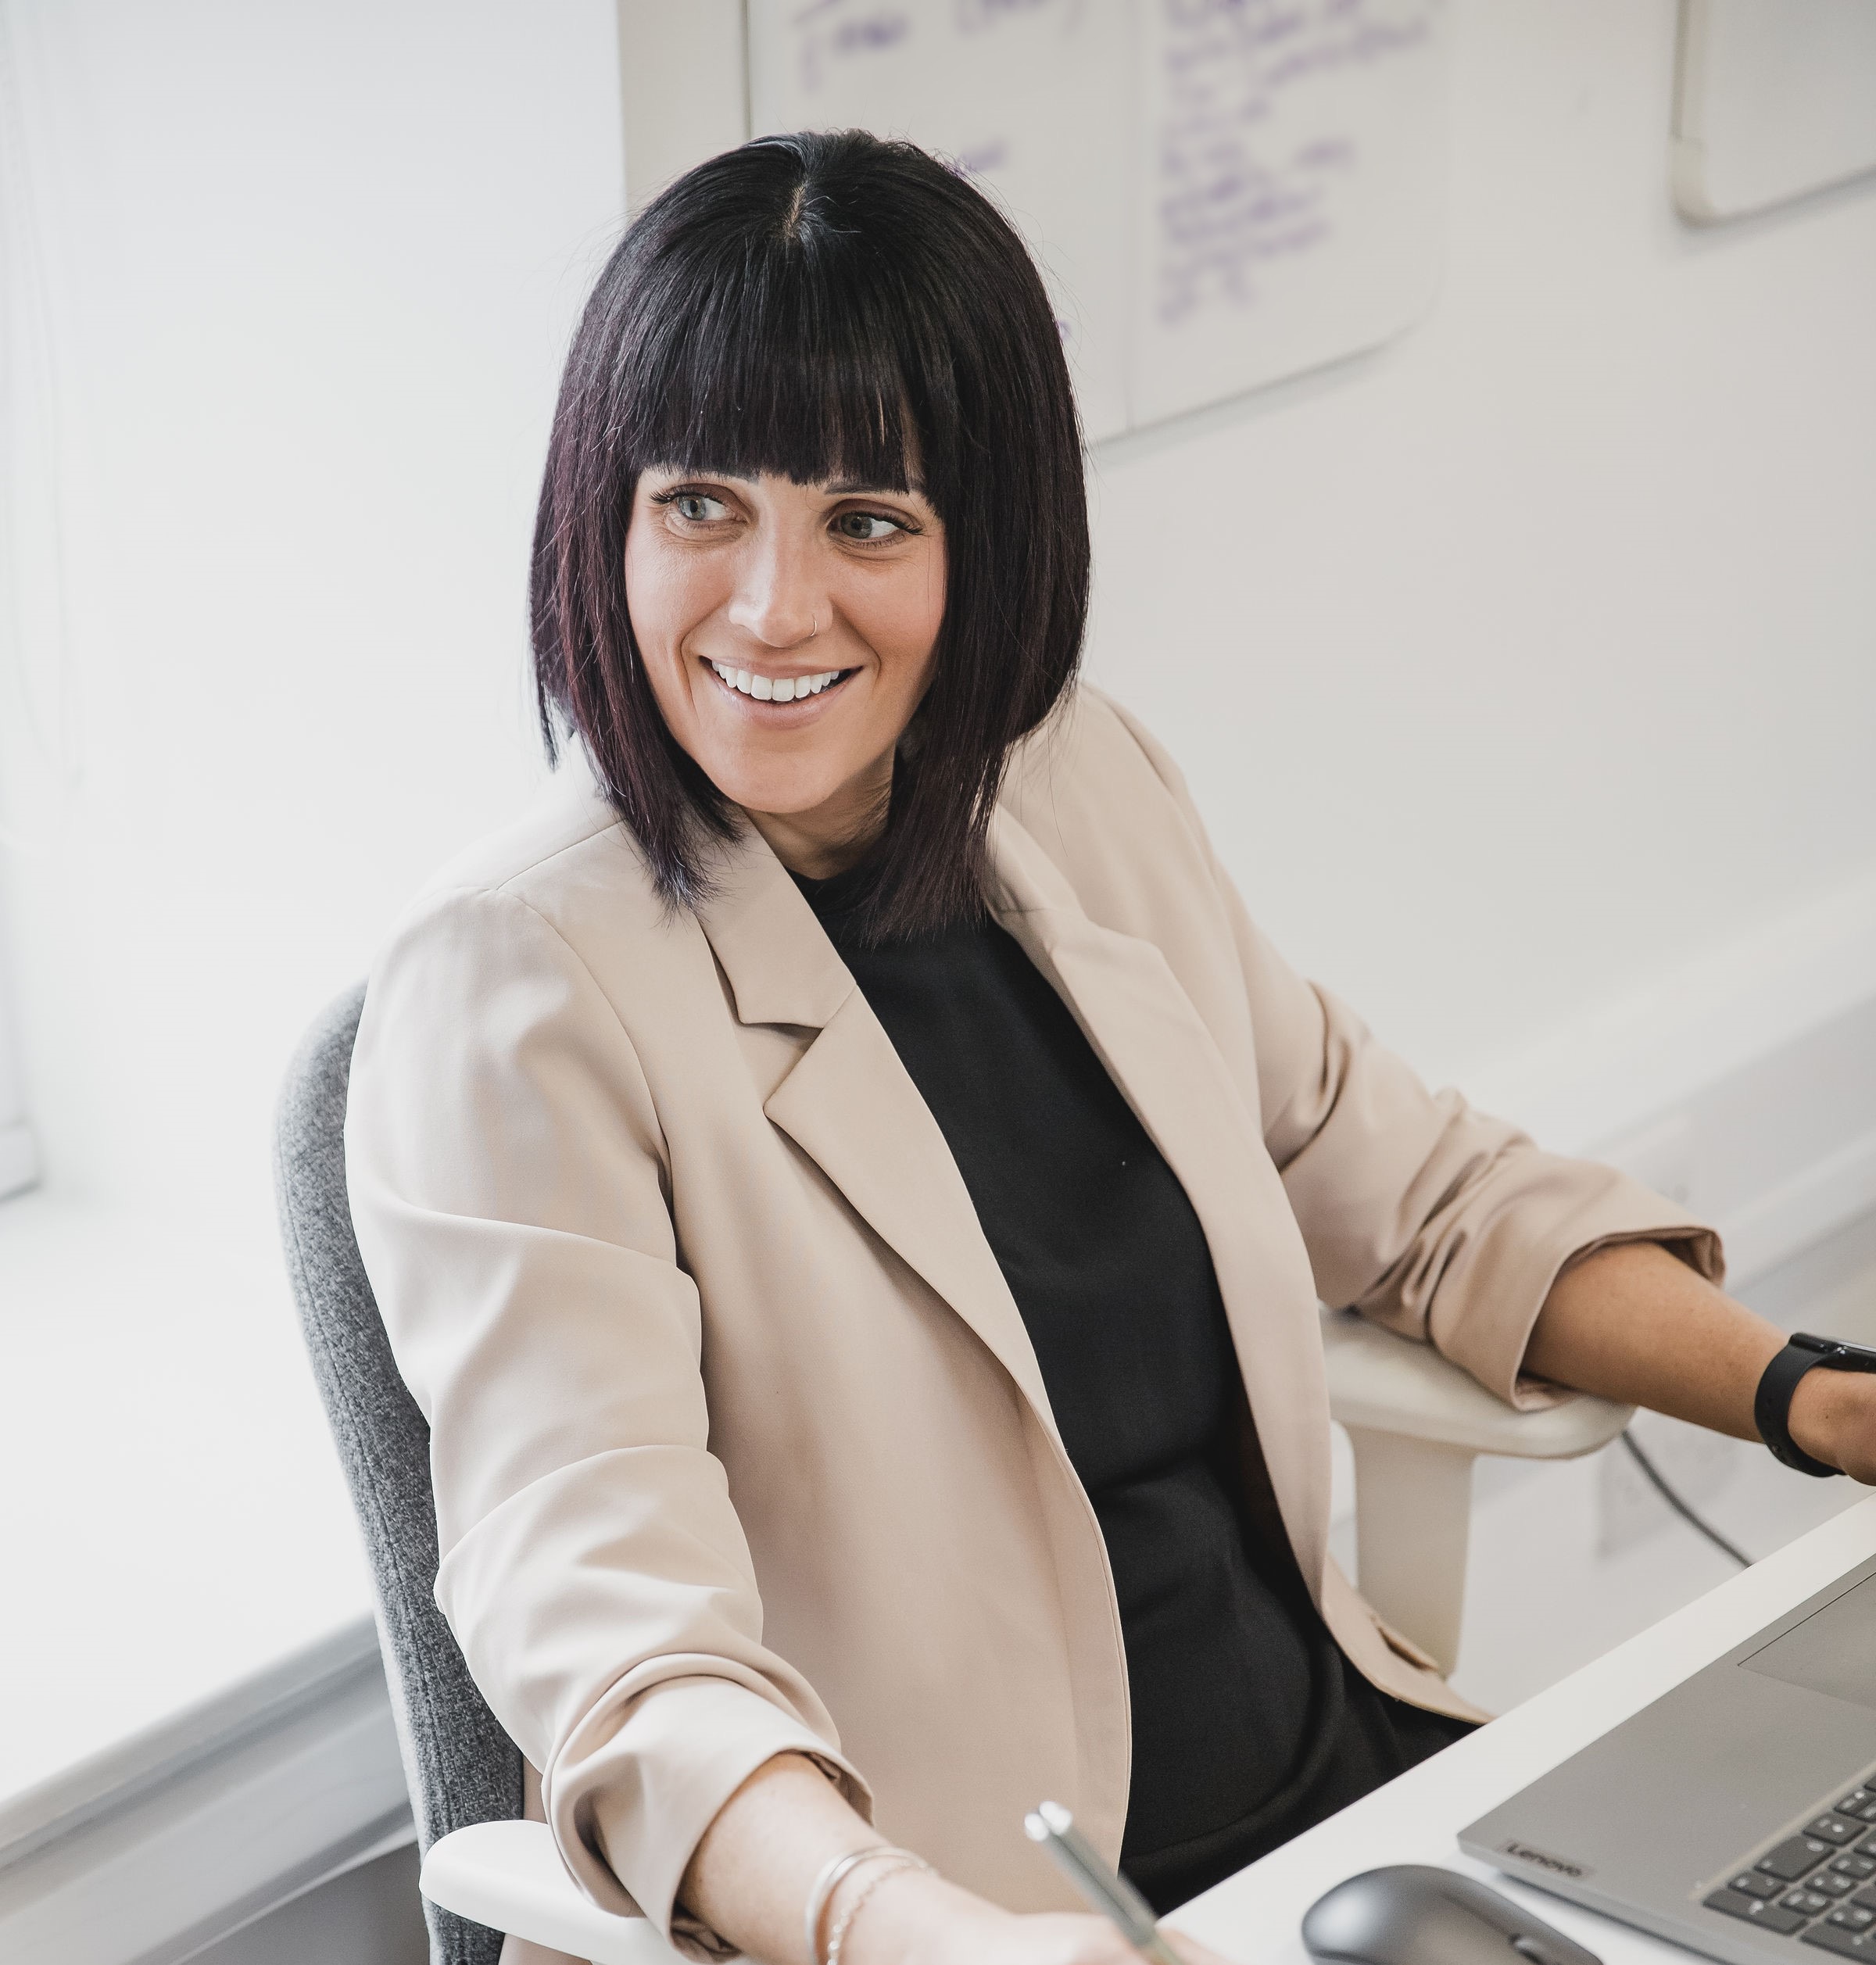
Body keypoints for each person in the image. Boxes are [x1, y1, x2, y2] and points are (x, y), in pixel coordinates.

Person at [344, 131, 1876, 1965]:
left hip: (1338, 1836)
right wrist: (931, 1936)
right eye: (698, 507)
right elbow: (620, 1650)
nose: (770, 608)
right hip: (963, 1929)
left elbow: (1419, 1194)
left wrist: (1813, 1397)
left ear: (988, 545)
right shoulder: (518, 990)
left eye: (869, 520)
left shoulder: (1069, 780)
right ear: (602, 516)